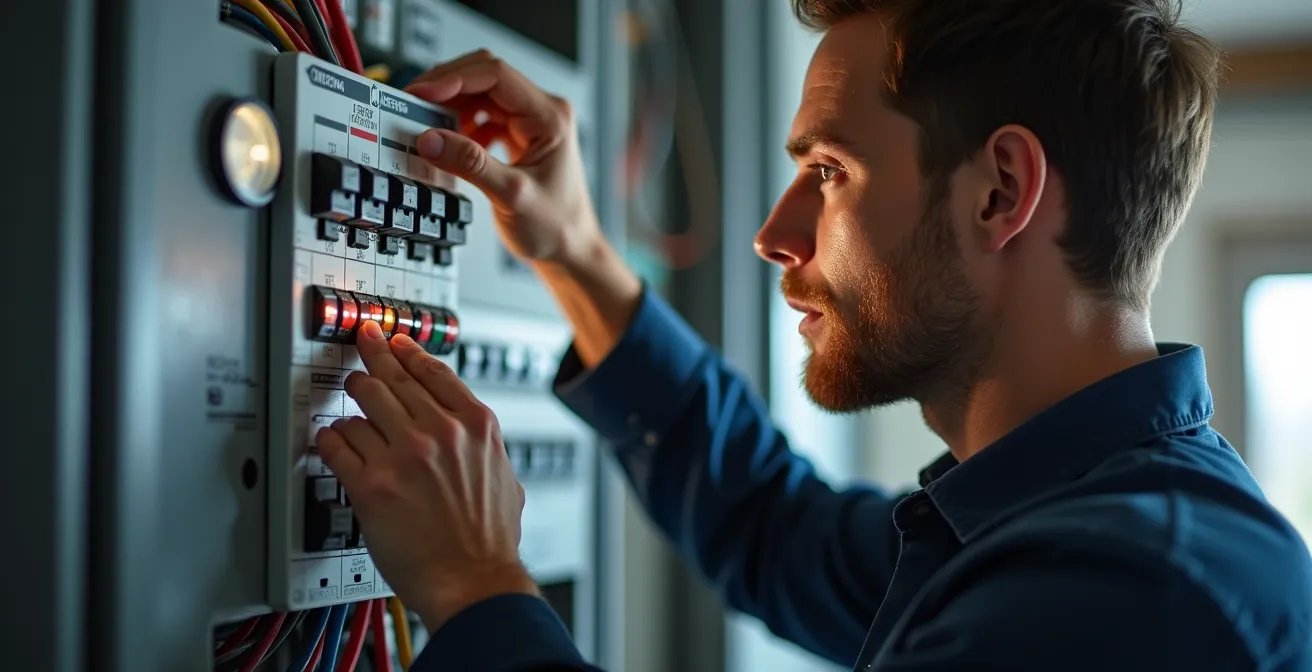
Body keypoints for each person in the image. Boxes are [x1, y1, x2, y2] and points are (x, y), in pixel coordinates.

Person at [314, 0, 1312, 670]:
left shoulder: (1128, 599)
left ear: (1000, 191)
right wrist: (575, 251)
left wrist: (475, 583)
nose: (772, 235)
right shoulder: (1059, 521)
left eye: (829, 171)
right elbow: (766, 521)